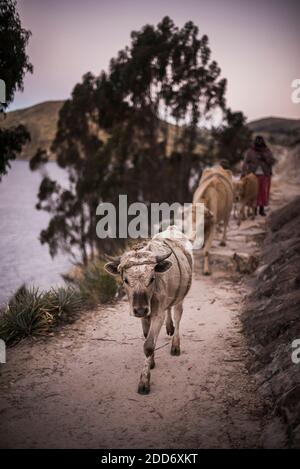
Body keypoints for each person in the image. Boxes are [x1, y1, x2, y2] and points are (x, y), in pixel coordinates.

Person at [242, 135, 275, 216]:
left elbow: (272, 161)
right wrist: (243, 173)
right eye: (257, 141)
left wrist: (264, 158)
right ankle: (254, 210)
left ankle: (261, 210)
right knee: (253, 192)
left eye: (260, 141)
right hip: (253, 175)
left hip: (265, 174)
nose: (259, 143)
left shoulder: (267, 151)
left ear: (263, 142)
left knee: (263, 192)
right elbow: (245, 162)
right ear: (255, 142)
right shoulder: (250, 151)